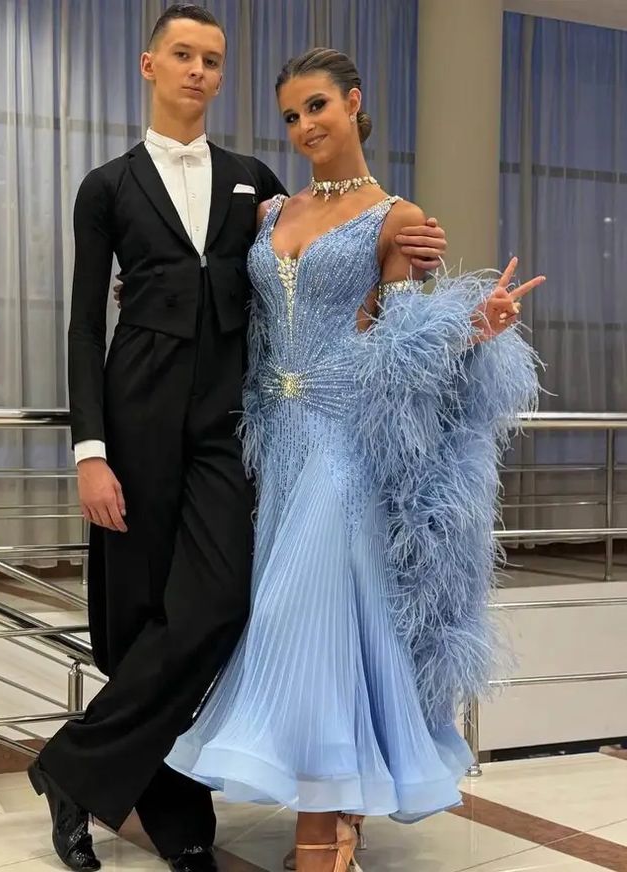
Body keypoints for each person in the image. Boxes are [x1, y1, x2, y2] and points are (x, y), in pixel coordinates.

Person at [27, 9, 449, 872]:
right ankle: (162, 796)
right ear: (151, 65)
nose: (198, 70)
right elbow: (81, 323)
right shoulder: (105, 186)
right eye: (183, 55)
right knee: (143, 614)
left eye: (213, 60)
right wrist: (89, 450)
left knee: (219, 606)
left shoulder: (258, 185)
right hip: (136, 418)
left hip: (235, 426)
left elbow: (305, 280)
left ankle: (71, 765)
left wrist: (411, 267)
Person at [165, 47, 545, 872]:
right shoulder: (271, 214)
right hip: (278, 441)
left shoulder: (399, 217)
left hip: (349, 441)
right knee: (324, 627)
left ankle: (320, 836)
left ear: (354, 104)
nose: (304, 127)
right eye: (292, 115)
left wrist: (474, 326)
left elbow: (406, 348)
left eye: (317, 108)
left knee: (307, 620)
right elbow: (233, 307)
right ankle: (338, 818)